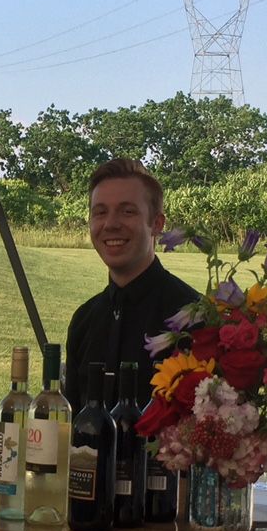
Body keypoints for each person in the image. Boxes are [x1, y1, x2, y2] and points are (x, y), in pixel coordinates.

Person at [64, 158, 199, 409]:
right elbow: (69, 424)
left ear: (157, 224)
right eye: (100, 212)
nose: (111, 224)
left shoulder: (193, 316)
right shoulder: (84, 321)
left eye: (127, 211)